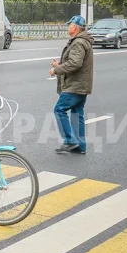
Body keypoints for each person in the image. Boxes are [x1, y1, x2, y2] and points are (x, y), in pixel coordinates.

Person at [50, 15, 94, 155]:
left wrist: (56, 69)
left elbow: (75, 63)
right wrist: (61, 65)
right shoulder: (82, 41)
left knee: (59, 110)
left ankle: (70, 140)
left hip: (75, 85)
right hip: (82, 85)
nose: (68, 26)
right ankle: (80, 145)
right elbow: (75, 62)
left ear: (74, 27)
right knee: (76, 114)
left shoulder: (78, 42)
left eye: (69, 25)